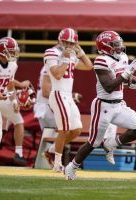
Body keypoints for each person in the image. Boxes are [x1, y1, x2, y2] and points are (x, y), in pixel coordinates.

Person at [64, 30, 136, 180]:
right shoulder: (101, 60)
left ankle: (110, 144)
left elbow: (120, 79)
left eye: (118, 43)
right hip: (103, 107)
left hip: (119, 105)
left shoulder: (122, 57)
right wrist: (126, 75)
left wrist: (130, 81)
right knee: (94, 143)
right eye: (114, 45)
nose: (119, 47)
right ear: (105, 47)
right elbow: (108, 86)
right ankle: (72, 166)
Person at [43, 27, 93, 172]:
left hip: (68, 95)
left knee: (76, 130)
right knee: (64, 129)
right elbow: (57, 75)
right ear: (60, 40)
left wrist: (81, 53)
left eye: (72, 43)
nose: (69, 46)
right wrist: (65, 58)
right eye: (67, 42)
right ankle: (57, 163)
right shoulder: (51, 52)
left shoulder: (71, 54)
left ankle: (51, 151)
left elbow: (88, 66)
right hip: (58, 93)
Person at [0, 79, 32, 165]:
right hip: (1, 95)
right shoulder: (9, 65)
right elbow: (9, 80)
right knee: (18, 121)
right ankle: (19, 153)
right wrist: (21, 84)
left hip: (1, 95)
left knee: (0, 129)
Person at [0, 37, 20, 150]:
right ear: (3, 51)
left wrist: (14, 101)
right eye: (11, 51)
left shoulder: (12, 66)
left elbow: (10, 84)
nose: (14, 53)